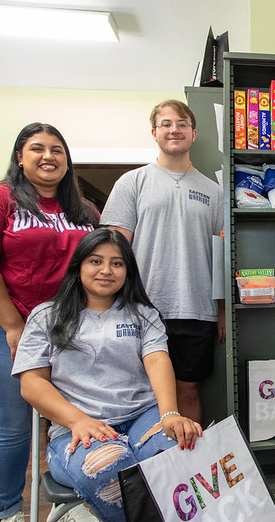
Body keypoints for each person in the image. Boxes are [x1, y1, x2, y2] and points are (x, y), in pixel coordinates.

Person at [0, 123, 101, 522]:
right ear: (20, 156)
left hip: (67, 327)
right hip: (4, 323)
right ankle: (6, 514)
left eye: (57, 149)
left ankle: (66, 507)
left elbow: (100, 266)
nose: (48, 156)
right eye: (37, 148)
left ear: (67, 160)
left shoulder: (84, 211)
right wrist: (14, 326)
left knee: (69, 418)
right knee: (15, 422)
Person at [13, 228, 202, 522]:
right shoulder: (45, 317)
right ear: (78, 268)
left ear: (128, 271)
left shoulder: (143, 315)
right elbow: (32, 383)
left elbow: (157, 360)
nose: (106, 270)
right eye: (95, 261)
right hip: (76, 431)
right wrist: (77, 421)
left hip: (142, 416)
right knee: (110, 466)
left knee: (177, 451)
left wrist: (170, 413)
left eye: (117, 263)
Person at [101, 99, 224, 424]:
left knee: (188, 392)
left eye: (182, 124)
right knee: (141, 396)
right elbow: (113, 251)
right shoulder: (132, 182)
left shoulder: (214, 192)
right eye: (167, 124)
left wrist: (223, 308)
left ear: (194, 133)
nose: (175, 130)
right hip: (141, 308)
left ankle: (187, 469)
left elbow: (223, 255)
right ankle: (142, 472)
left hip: (196, 310)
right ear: (154, 132)